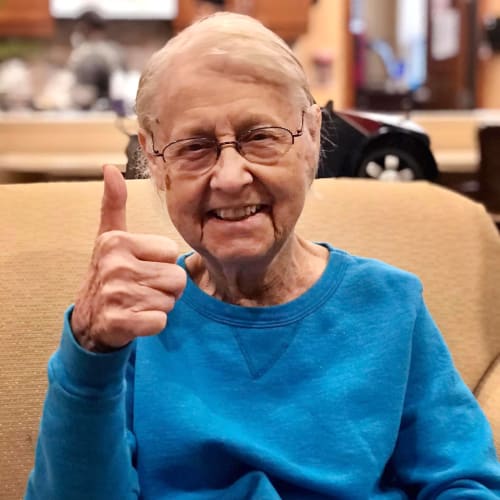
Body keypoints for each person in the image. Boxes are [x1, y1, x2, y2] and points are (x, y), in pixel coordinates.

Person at [26, 12, 500, 500]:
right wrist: (90, 350)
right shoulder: (127, 321)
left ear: (312, 137)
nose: (230, 177)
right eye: (195, 146)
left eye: (260, 137)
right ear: (155, 162)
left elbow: (463, 483)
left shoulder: (390, 305)